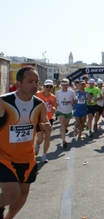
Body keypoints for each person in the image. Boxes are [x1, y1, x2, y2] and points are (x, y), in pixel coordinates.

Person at [0, 66, 51, 219]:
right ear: (18, 83)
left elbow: (45, 125)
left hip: (27, 159)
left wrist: (46, 128)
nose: (35, 85)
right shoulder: (4, 102)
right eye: (30, 81)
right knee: (11, 194)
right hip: (4, 158)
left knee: (22, 195)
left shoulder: (39, 104)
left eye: (36, 82)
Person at [35, 79, 56, 163]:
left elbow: (55, 107)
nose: (49, 88)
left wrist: (54, 109)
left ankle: (44, 155)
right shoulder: (37, 94)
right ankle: (37, 145)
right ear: (43, 86)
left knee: (47, 137)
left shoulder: (53, 97)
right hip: (39, 119)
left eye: (50, 86)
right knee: (40, 139)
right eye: (47, 86)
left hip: (49, 119)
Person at [55, 78, 76, 148]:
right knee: (63, 125)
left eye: (66, 85)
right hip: (60, 111)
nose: (64, 86)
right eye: (63, 85)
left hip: (68, 111)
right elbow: (55, 101)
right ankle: (64, 141)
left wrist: (73, 102)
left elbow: (76, 100)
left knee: (65, 126)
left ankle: (62, 131)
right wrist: (56, 104)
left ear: (68, 85)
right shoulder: (58, 93)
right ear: (61, 85)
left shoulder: (71, 92)